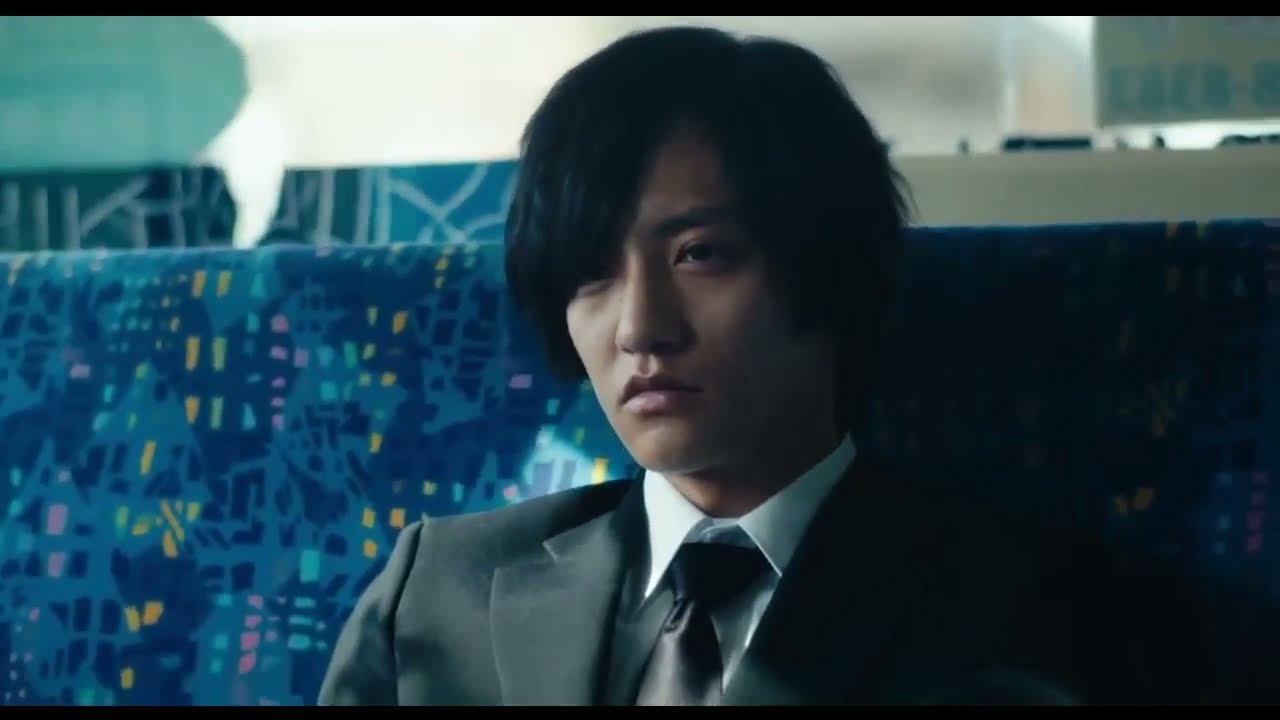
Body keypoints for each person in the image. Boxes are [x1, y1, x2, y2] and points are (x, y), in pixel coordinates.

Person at [318, 26, 1276, 705]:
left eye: (700, 254)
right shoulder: (437, 590)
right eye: (591, 273)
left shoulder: (1047, 610)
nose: (641, 328)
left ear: (827, 268)